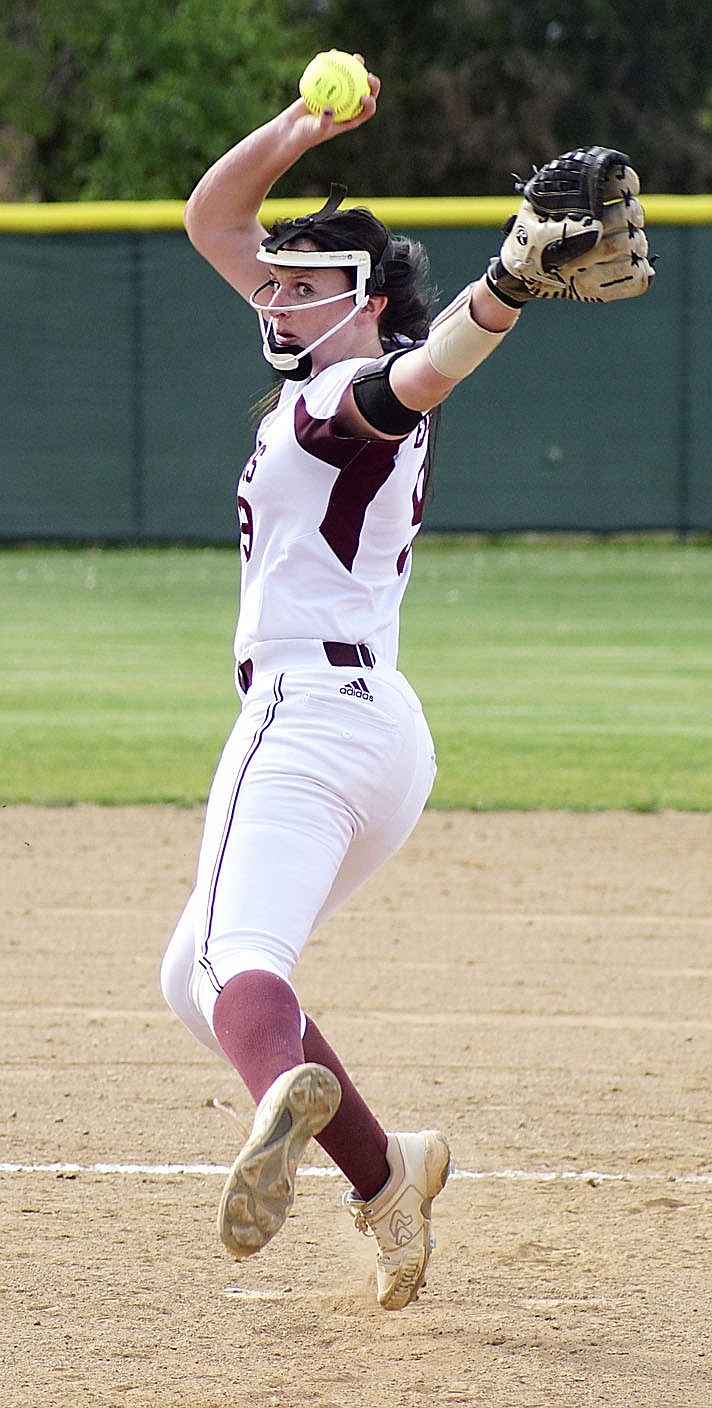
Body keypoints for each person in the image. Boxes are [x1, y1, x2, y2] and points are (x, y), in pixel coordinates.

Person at [160, 58, 653, 1311]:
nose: (271, 296)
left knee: (233, 960)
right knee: (201, 979)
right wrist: (300, 126)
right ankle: (389, 1176)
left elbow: (417, 377)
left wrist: (495, 291)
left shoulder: (349, 398)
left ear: (366, 301)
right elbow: (210, 220)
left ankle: (287, 1097)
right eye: (273, 283)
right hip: (380, 735)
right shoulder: (310, 352)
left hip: (304, 719)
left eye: (303, 284)